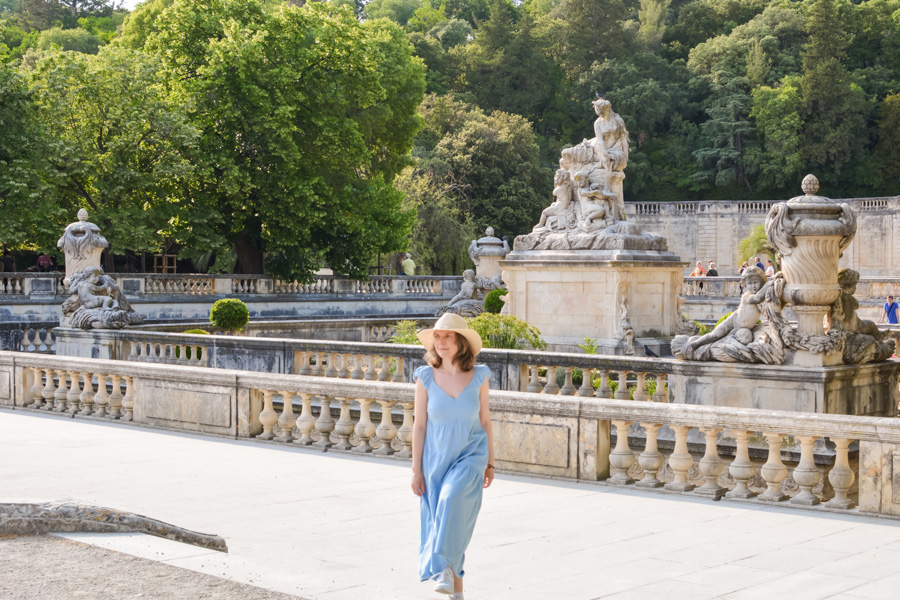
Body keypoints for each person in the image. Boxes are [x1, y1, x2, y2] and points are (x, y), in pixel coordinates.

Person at [412, 313, 494, 600]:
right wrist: (415, 470)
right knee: (450, 522)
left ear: (461, 342)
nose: (441, 341)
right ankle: (456, 593)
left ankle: (444, 570)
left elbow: (485, 421)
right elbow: (419, 425)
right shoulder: (425, 378)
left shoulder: (479, 376)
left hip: (470, 456)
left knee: (450, 500)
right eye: (437, 336)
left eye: (448, 336)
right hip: (435, 460)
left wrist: (490, 462)